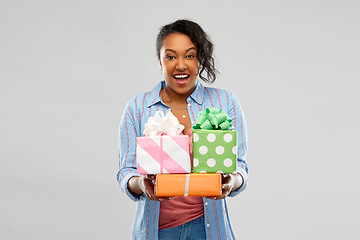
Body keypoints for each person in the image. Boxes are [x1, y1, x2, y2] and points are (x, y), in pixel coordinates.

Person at [116, 19, 248, 240]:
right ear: (160, 62)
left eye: (189, 55)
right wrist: (142, 184)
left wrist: (231, 181)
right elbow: (125, 172)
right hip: (156, 230)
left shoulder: (225, 102)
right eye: (170, 56)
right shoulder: (137, 108)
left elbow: (240, 165)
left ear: (200, 61)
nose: (180, 65)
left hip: (207, 228)